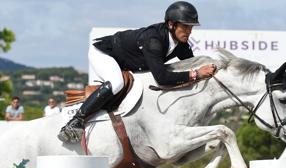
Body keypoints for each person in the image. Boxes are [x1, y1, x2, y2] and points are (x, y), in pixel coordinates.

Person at [58, 1, 216, 143]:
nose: (189, 31)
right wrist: (196, 74)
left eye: (191, 27)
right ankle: (76, 121)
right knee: (117, 83)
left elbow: (190, 65)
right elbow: (162, 78)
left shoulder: (181, 44)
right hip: (104, 54)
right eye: (185, 26)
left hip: (126, 62)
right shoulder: (153, 40)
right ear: (171, 24)